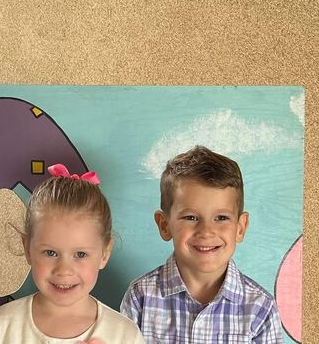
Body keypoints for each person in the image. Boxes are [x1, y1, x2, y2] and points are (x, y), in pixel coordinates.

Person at [120, 146, 284, 343]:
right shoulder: (140, 297)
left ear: (240, 228)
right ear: (164, 225)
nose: (206, 231)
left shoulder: (261, 308)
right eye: (191, 217)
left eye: (221, 217)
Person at [0, 164, 145, 344]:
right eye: (50, 252)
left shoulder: (125, 335)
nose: (64, 270)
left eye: (80, 254)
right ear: (27, 248)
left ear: (104, 254)